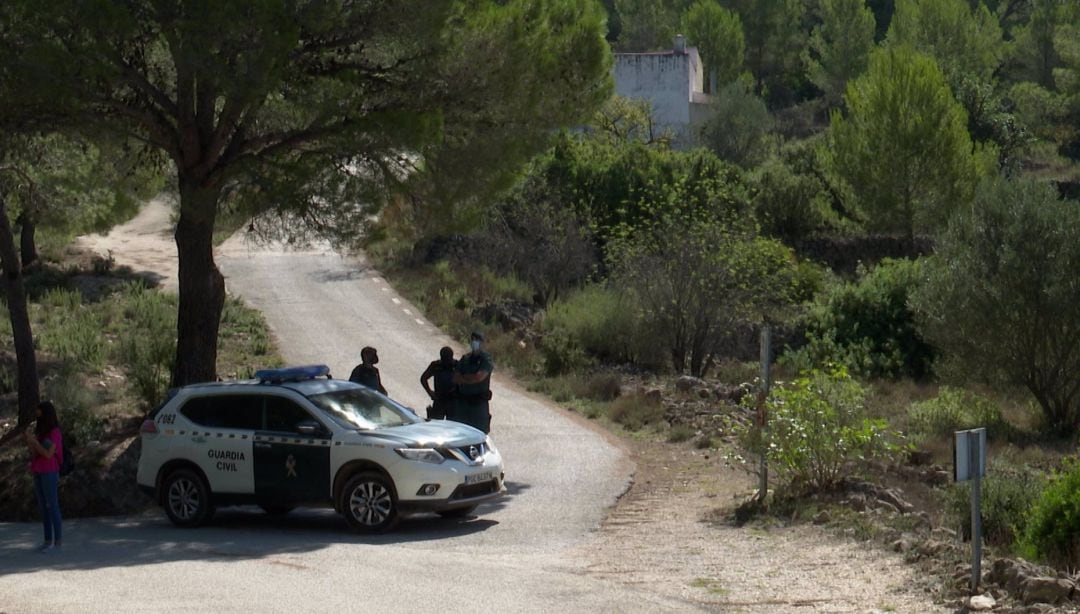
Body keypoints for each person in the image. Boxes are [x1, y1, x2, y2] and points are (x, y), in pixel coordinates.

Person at [22, 400, 63, 553]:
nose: (37, 416)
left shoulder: (55, 432)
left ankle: (57, 542)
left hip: (50, 471)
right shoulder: (42, 432)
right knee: (43, 507)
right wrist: (30, 442)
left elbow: (48, 453)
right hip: (38, 470)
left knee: (52, 505)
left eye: (39, 413)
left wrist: (34, 442)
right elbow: (36, 453)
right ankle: (47, 540)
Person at [452, 332, 494, 433]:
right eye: (473, 340)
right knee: (460, 432)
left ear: (482, 342)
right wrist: (471, 378)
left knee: (479, 433)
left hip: (478, 404)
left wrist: (464, 378)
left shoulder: (486, 359)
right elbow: (455, 378)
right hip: (463, 403)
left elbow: (479, 377)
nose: (475, 342)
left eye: (477, 340)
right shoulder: (465, 359)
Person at [420, 346, 458, 421]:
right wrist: (430, 392)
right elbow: (423, 378)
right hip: (439, 399)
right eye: (444, 358)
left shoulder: (457, 366)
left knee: (452, 426)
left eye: (448, 358)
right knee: (434, 424)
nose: (446, 361)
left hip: (453, 401)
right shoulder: (436, 365)